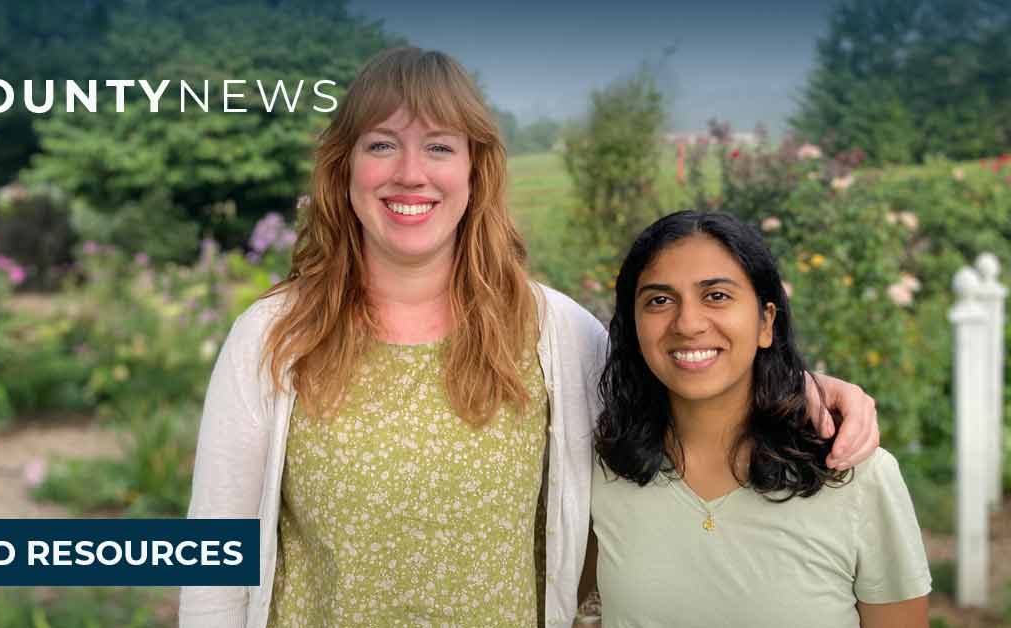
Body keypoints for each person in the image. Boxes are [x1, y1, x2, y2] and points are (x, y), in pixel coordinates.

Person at [179, 47, 881, 627]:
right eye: (381, 144)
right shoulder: (273, 338)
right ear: (345, 170)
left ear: (475, 171)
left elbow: (678, 393)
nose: (410, 173)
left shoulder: (554, 333)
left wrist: (803, 388)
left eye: (439, 147)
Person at [589, 211, 930, 627]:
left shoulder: (856, 477)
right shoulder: (601, 470)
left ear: (766, 322)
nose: (688, 323)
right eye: (659, 300)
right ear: (634, 326)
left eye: (716, 296)